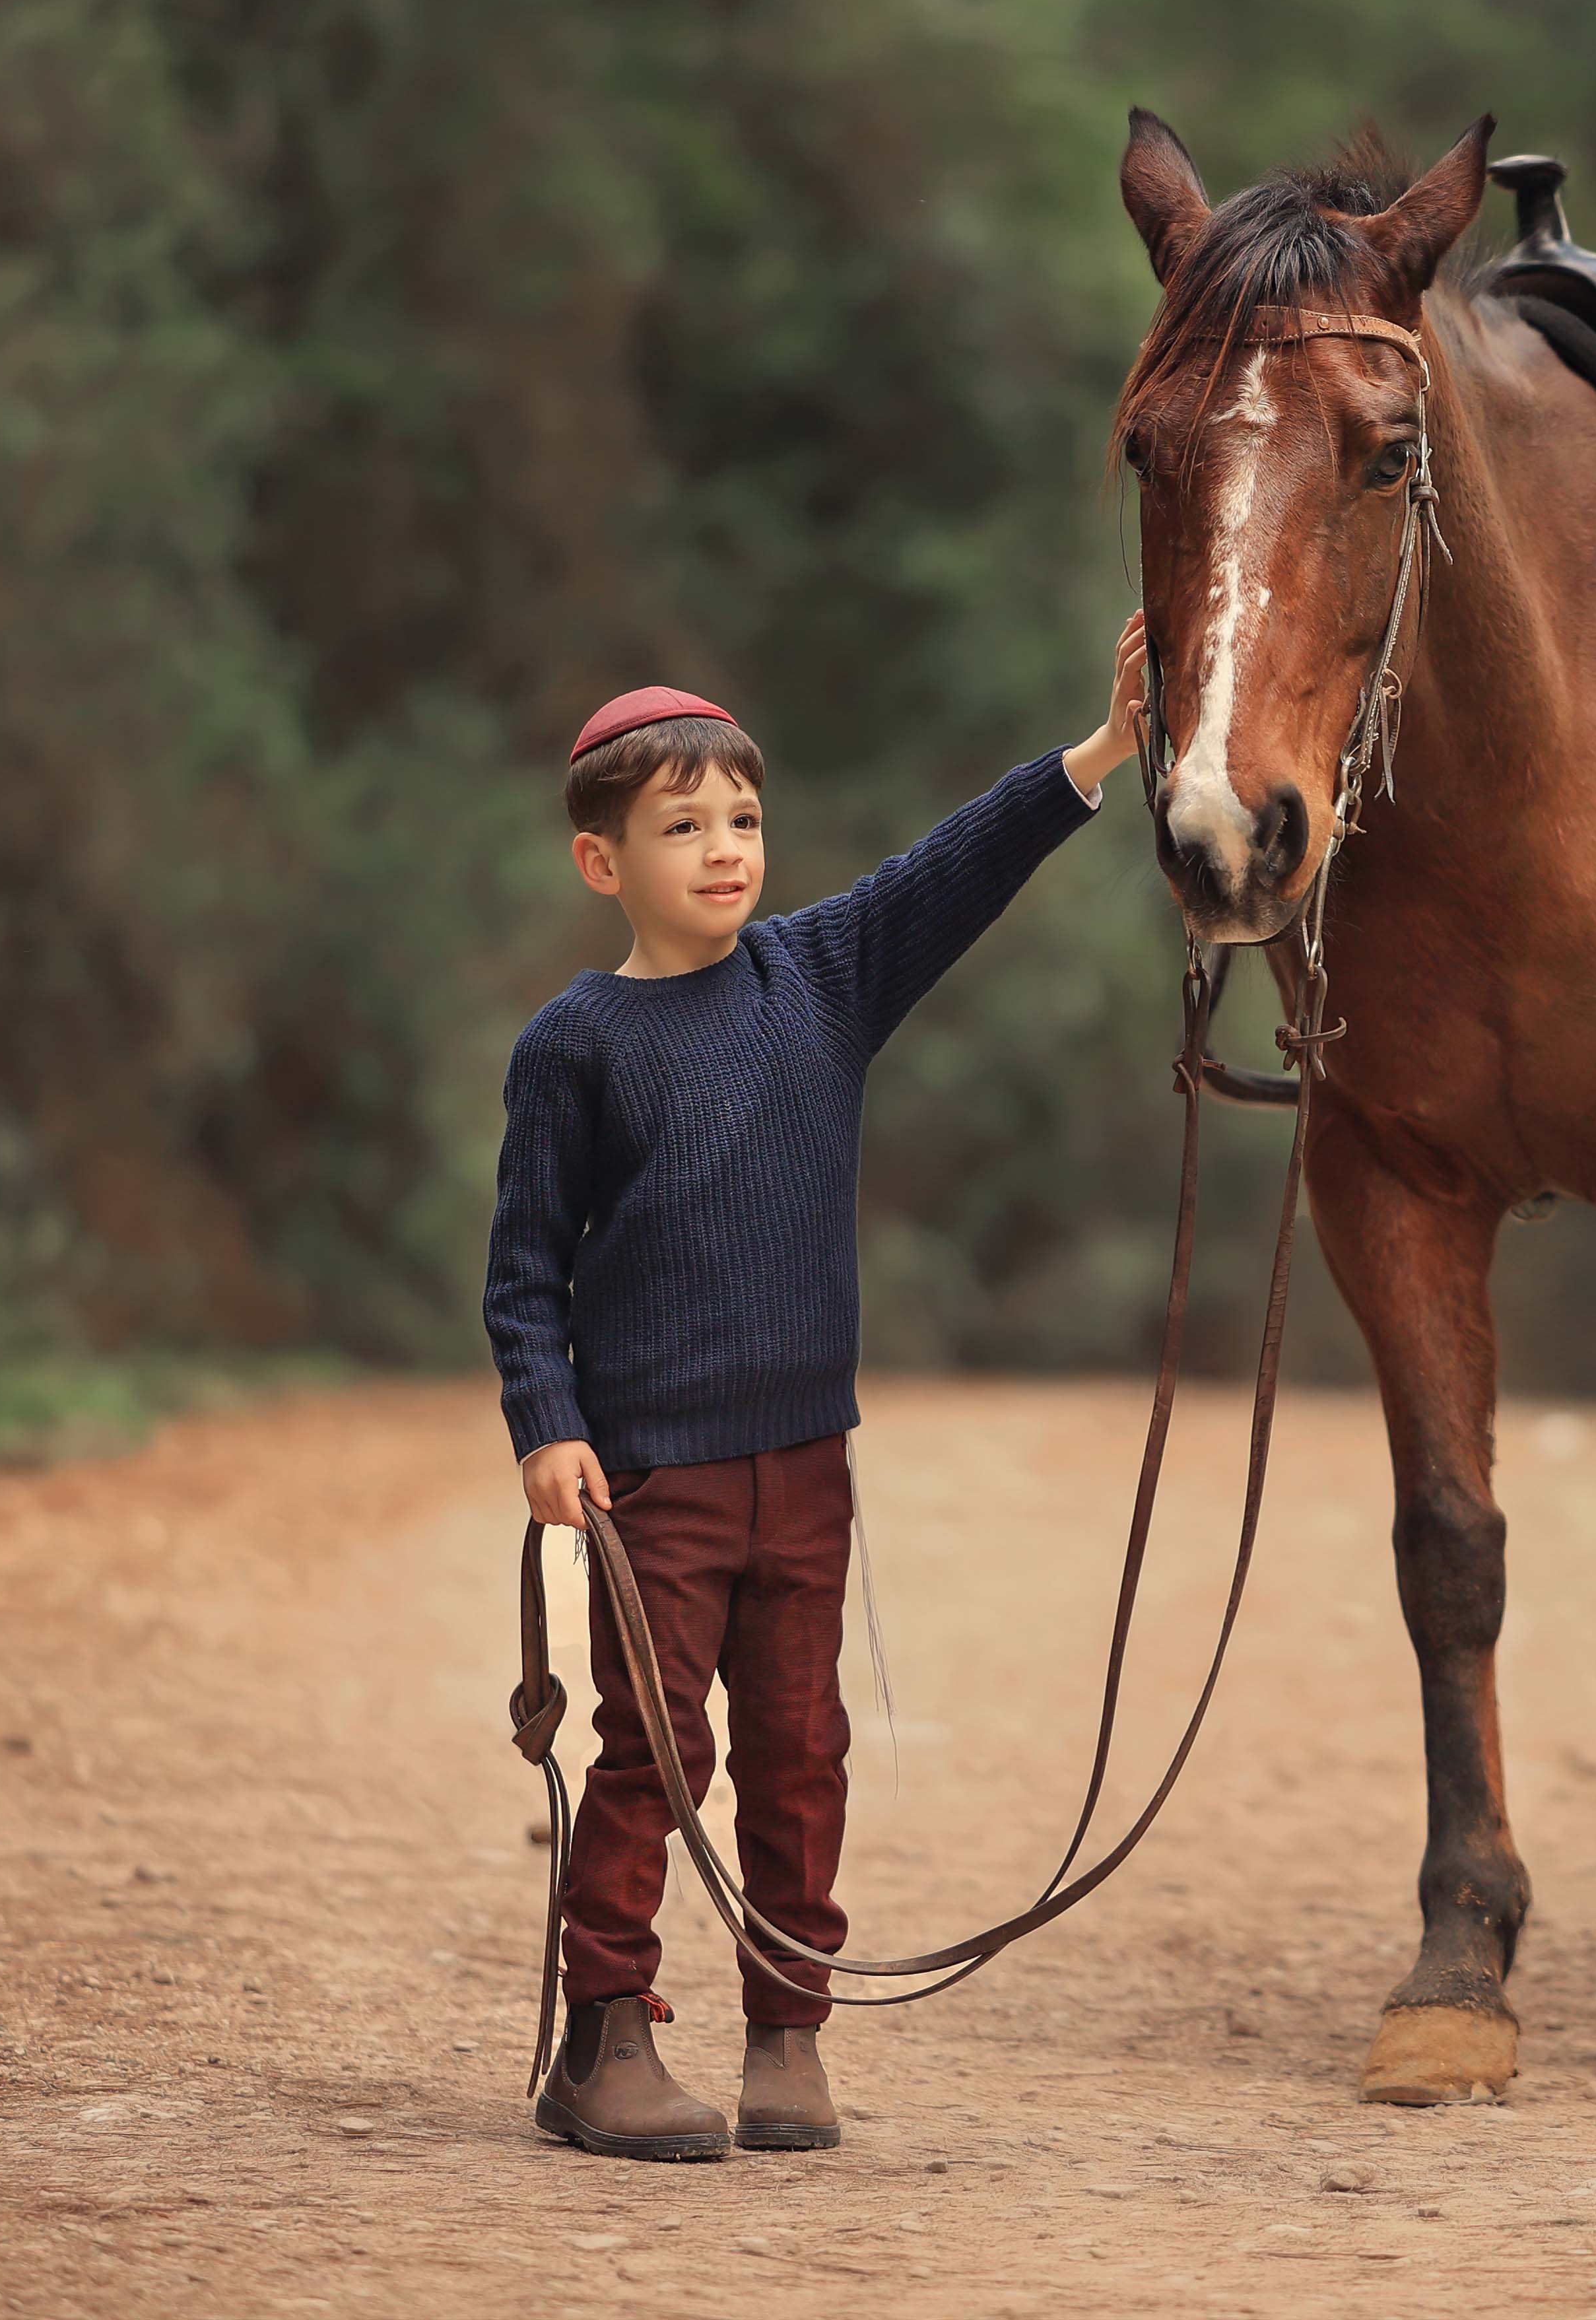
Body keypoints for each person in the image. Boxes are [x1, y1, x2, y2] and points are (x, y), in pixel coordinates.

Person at [484, 625, 1144, 2160]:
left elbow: (952, 868)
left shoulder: (823, 978)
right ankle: (605, 2041)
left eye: (744, 821)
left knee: (800, 1744)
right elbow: (524, 1271)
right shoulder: (574, 1047)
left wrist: (1099, 757)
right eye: (683, 827)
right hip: (657, 1475)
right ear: (603, 861)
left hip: (807, 1463)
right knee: (655, 1754)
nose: (726, 852)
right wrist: (549, 1428)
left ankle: (789, 2029)